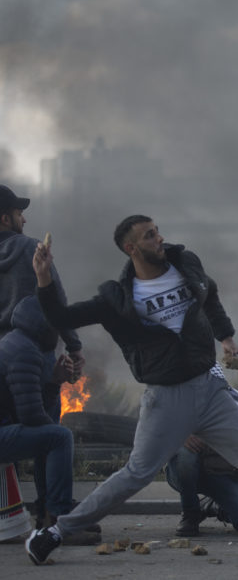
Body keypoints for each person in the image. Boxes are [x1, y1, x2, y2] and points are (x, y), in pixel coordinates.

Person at [25, 215, 238, 565]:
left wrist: (228, 340)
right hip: (166, 398)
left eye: (157, 232)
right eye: (150, 235)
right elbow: (62, 318)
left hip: (210, 390)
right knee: (135, 475)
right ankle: (55, 533)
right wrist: (44, 278)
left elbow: (210, 295)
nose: (160, 239)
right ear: (131, 248)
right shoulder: (117, 300)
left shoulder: (186, 266)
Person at [0, 185, 85, 529]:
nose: (25, 218)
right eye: (19, 213)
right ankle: (52, 514)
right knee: (47, 434)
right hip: (34, 353)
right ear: (5, 218)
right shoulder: (30, 249)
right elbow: (55, 300)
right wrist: (74, 346)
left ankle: (12, 512)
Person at [0, 296, 77, 531]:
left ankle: (48, 511)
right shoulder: (24, 352)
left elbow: (32, 412)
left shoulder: (17, 343)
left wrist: (54, 381)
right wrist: (51, 434)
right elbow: (32, 417)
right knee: (59, 437)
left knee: (51, 433)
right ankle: (59, 517)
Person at [166, 384, 238, 537]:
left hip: (224, 475)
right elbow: (157, 431)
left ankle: (214, 505)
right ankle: (190, 514)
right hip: (187, 472)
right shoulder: (182, 401)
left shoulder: (236, 405)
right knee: (185, 455)